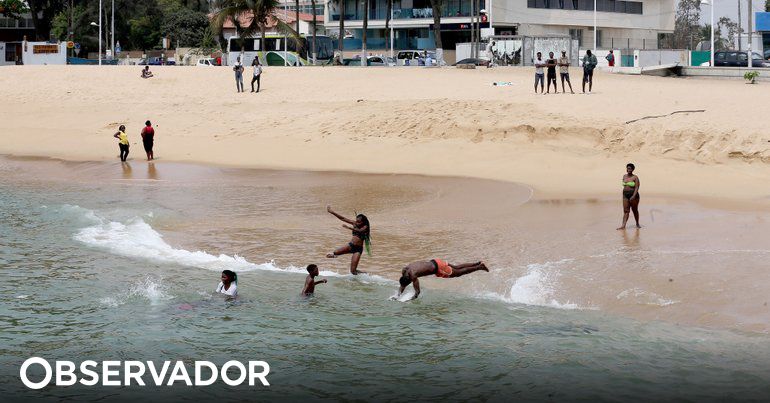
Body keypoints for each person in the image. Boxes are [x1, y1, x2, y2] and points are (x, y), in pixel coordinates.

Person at [394, 260, 489, 301]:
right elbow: (403, 285)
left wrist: (410, 299)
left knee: (459, 273)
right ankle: (477, 263)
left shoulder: (413, 276)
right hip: (435, 261)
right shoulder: (405, 270)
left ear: (410, 280)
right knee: (456, 267)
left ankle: (479, 267)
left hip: (439, 268)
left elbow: (417, 292)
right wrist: (397, 296)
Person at [326, 205, 370, 275]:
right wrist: (332, 212)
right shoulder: (354, 223)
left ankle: (365, 275)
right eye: (356, 221)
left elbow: (360, 231)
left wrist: (349, 228)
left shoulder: (365, 227)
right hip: (350, 245)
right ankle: (335, 255)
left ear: (363, 222)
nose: (357, 222)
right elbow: (343, 218)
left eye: (359, 222)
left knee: (353, 271)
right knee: (334, 253)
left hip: (358, 250)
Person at [617, 163, 641, 230]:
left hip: (634, 196)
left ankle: (637, 223)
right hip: (625, 195)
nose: (629, 169)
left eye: (630, 168)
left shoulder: (635, 177)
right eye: (628, 168)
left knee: (634, 210)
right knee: (626, 211)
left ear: (633, 169)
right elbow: (624, 185)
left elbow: (637, 187)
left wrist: (633, 196)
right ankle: (623, 226)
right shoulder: (624, 176)